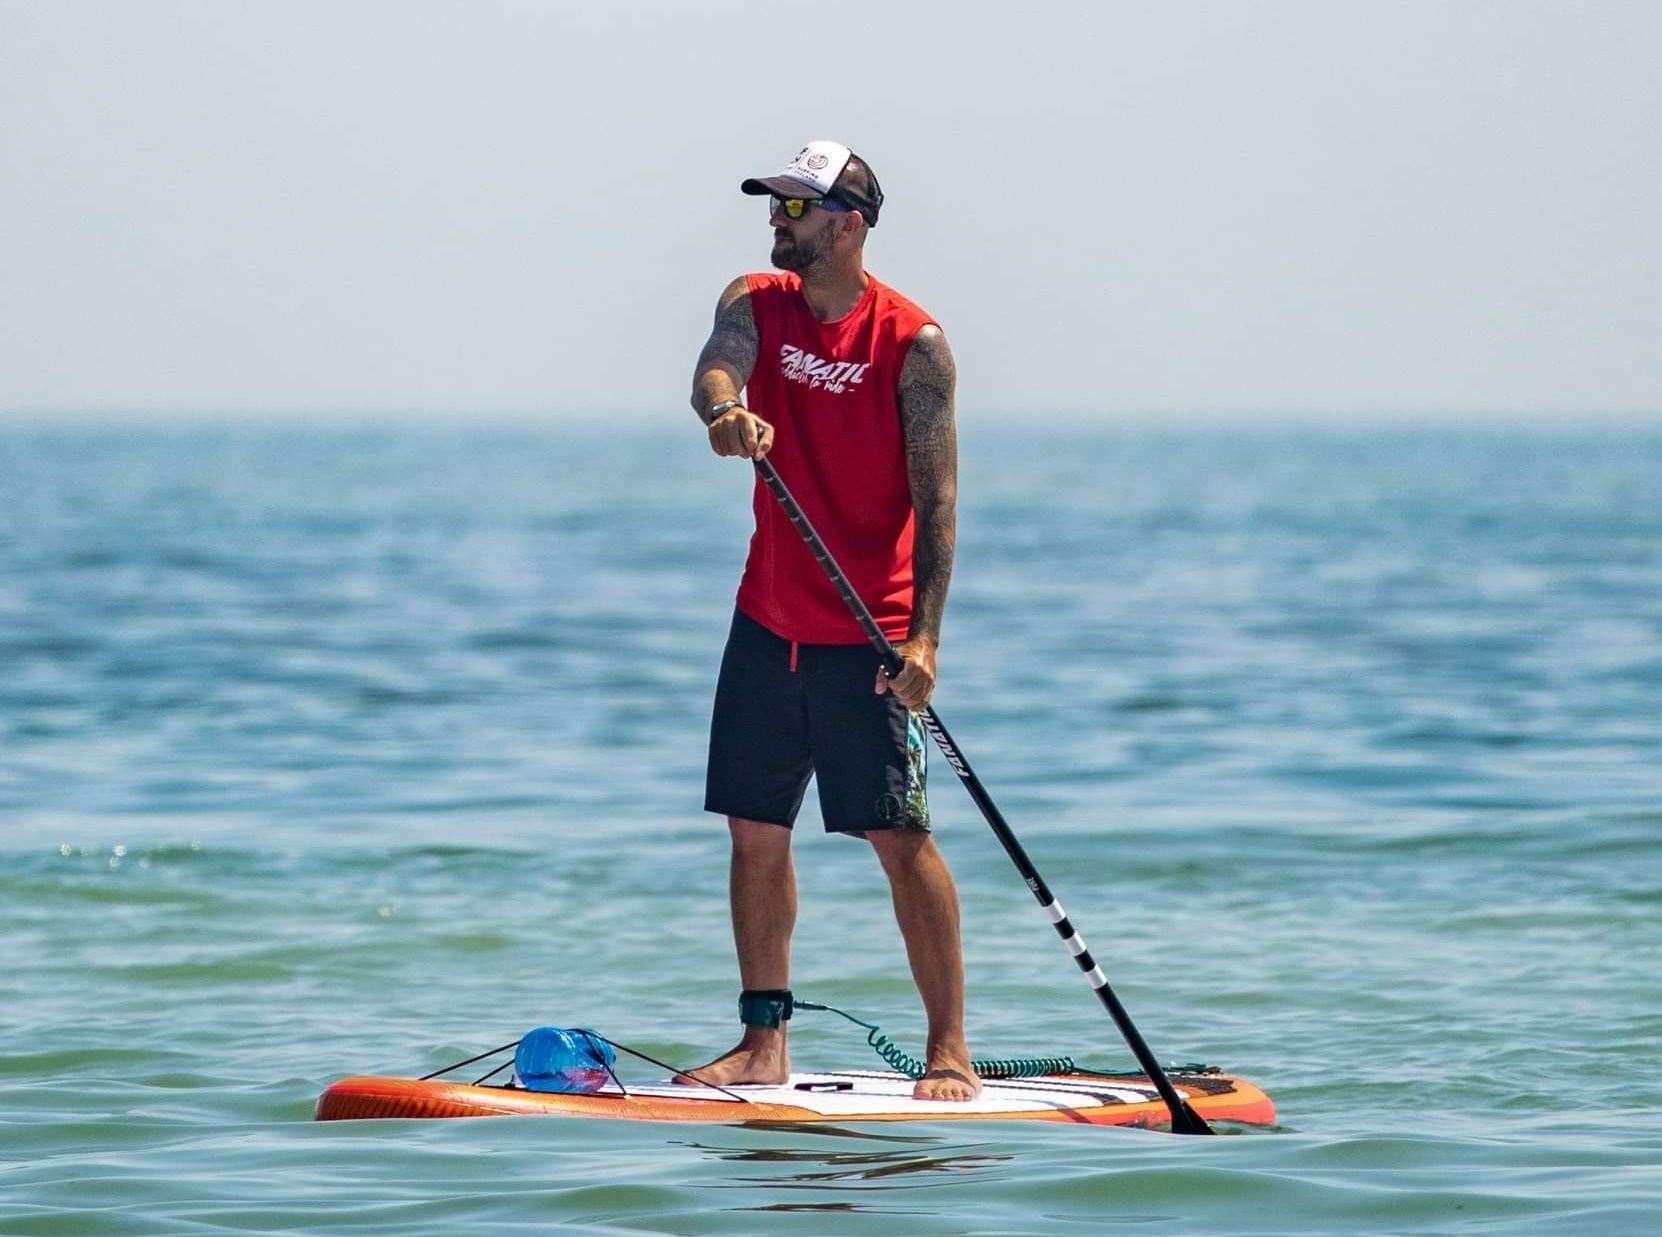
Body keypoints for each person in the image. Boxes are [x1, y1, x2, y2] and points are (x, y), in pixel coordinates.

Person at [684, 141, 978, 1102]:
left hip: (872, 636)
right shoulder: (755, 301)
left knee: (897, 837)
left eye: (797, 210)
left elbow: (936, 506)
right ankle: (764, 1044)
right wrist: (727, 414)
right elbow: (715, 374)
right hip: (768, 619)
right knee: (754, 829)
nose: (778, 223)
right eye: (775, 207)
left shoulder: (913, 343)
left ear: (848, 224)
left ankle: (949, 1051)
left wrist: (925, 640)